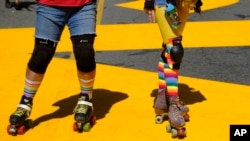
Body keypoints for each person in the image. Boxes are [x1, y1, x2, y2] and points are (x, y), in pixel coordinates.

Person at [7, 0, 97, 135]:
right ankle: (25, 102)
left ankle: (86, 98)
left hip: (83, 6)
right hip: (49, 6)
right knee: (41, 53)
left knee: (84, 51)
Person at [144, 0, 202, 138]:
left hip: (185, 3)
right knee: (174, 50)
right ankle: (174, 104)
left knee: (168, 49)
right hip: (165, 3)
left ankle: (162, 100)